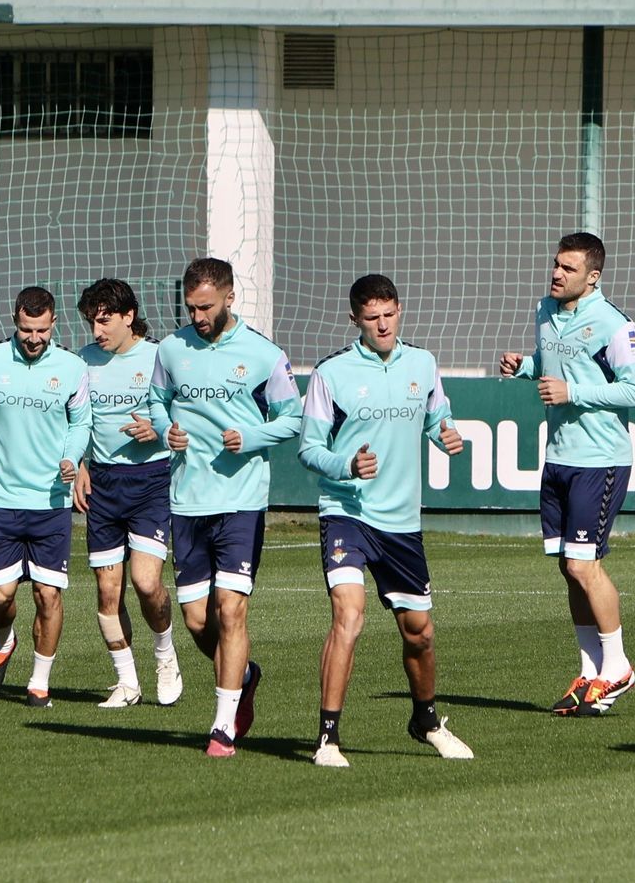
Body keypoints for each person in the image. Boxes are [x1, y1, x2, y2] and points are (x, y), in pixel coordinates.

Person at [297, 274, 474, 768]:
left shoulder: (423, 363)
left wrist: (447, 435)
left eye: (389, 314)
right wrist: (346, 465)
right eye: (371, 317)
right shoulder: (330, 374)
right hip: (346, 513)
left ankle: (426, 720)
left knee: (419, 632)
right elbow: (309, 449)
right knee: (348, 618)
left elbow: (438, 417)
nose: (382, 325)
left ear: (400, 311)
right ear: (354, 319)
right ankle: (328, 738)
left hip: (401, 522)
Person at [148, 258, 302, 757]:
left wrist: (252, 436)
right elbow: (155, 399)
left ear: (230, 298)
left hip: (241, 501)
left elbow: (293, 417)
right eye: (191, 307)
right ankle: (245, 675)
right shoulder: (170, 350)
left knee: (230, 610)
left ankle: (222, 724)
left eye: (206, 307)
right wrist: (165, 426)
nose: (197, 316)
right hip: (187, 501)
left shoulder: (263, 354)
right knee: (197, 619)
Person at [499, 232, 635, 717]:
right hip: (559, 456)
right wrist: (526, 367)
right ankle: (590, 674)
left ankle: (619, 667)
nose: (557, 273)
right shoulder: (545, 309)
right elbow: (552, 364)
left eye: (568, 267)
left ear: (593, 277)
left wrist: (574, 392)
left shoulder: (613, 324)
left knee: (585, 565)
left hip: (600, 460)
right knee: (569, 568)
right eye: (556, 264)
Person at [0, 286, 91, 707]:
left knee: (48, 595)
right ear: (15, 321)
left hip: (51, 503)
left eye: (41, 330)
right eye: (25, 329)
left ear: (54, 324)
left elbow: (80, 420)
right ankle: (3, 641)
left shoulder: (72, 367)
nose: (33, 338)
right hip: (1, 500)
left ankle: (39, 683)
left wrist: (72, 458)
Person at [72, 279, 183, 708]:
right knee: (106, 591)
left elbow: (180, 414)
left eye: (104, 321)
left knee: (146, 581)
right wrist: (81, 464)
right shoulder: (82, 362)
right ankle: (127, 682)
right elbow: (76, 419)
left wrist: (157, 430)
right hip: (102, 484)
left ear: (128, 316)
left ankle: (165, 655)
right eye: (91, 322)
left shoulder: (159, 356)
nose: (97, 331)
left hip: (151, 480)